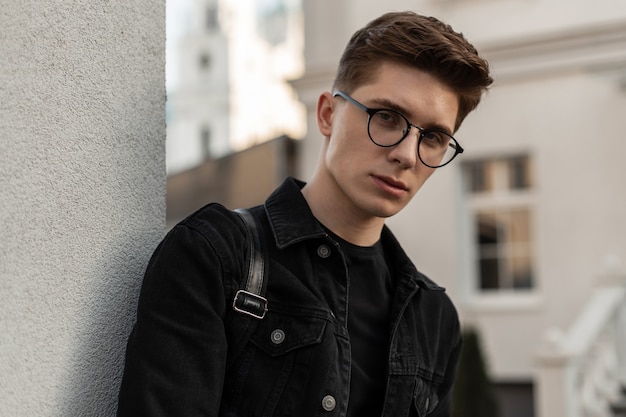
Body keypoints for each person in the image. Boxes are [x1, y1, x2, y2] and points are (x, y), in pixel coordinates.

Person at [117, 11, 492, 417]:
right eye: (387, 117)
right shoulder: (216, 256)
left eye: (433, 137)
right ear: (328, 114)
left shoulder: (434, 318)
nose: (405, 154)